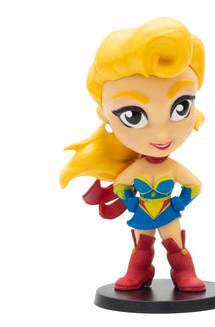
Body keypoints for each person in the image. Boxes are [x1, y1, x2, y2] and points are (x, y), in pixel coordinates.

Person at [60, 17, 206, 292]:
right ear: (105, 116)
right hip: (143, 213)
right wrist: (129, 201)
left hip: (168, 212)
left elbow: (195, 185)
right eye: (133, 115)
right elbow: (121, 185)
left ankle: (184, 273)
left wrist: (181, 202)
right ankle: (139, 272)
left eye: (181, 107)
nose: (161, 134)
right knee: (140, 247)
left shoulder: (172, 168)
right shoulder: (135, 169)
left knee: (176, 246)